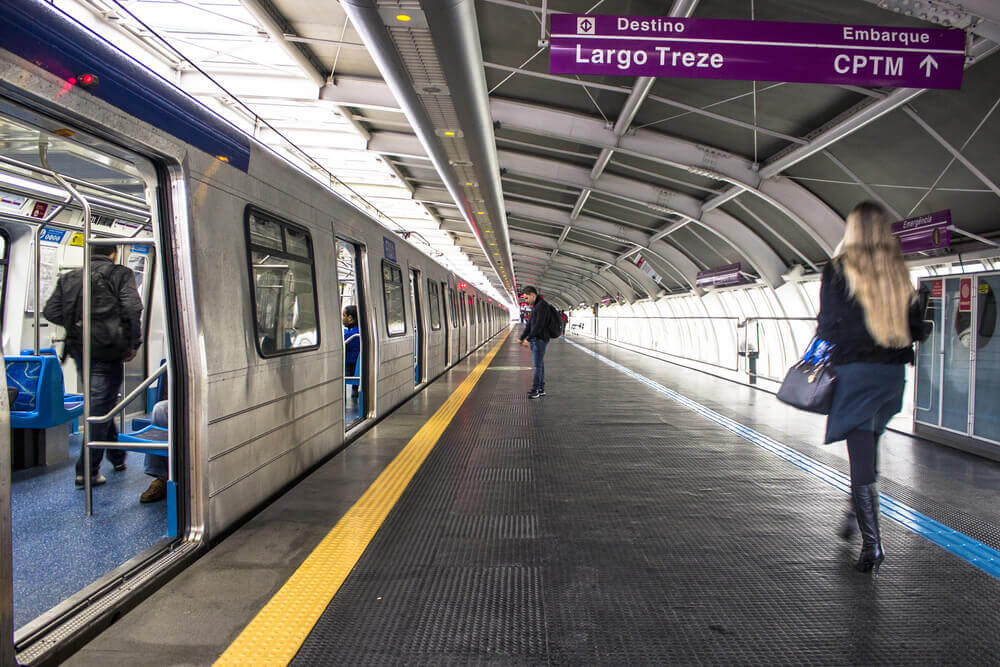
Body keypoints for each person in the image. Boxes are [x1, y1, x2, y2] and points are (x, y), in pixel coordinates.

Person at [816, 201, 929, 575]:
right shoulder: (899, 273)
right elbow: (918, 330)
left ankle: (873, 544)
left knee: (861, 454)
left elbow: (827, 327)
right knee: (869, 447)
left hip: (855, 374)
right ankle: (854, 511)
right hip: (891, 377)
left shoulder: (836, 272)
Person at [44, 244, 143, 489]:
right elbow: (132, 307)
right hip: (108, 349)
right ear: (114, 253)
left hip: (79, 348)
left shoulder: (70, 277)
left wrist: (77, 324)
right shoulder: (121, 274)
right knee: (101, 404)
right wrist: (133, 342)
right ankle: (87, 471)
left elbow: (51, 311)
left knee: (101, 402)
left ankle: (117, 456)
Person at [518, 286, 557, 399]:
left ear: (533, 295)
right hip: (537, 339)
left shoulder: (542, 306)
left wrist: (528, 339)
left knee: (537, 366)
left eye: (526, 298)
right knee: (540, 365)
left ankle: (536, 390)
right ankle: (541, 388)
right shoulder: (536, 306)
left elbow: (538, 325)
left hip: (540, 339)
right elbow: (530, 324)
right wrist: (522, 337)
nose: (526, 301)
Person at [343, 305, 360, 397]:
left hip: (350, 370)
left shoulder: (350, 335)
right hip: (358, 369)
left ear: (350, 318)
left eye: (344, 315)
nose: (342, 319)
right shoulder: (360, 332)